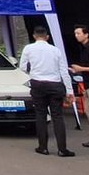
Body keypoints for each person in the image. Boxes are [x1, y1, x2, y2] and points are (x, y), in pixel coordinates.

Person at [19, 26, 75, 157]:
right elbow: (63, 71)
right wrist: (69, 90)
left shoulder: (28, 48)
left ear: (34, 36)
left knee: (40, 115)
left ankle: (43, 147)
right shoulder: (55, 50)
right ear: (47, 37)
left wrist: (32, 73)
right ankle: (62, 149)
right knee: (57, 116)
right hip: (55, 84)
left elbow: (22, 67)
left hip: (38, 83)